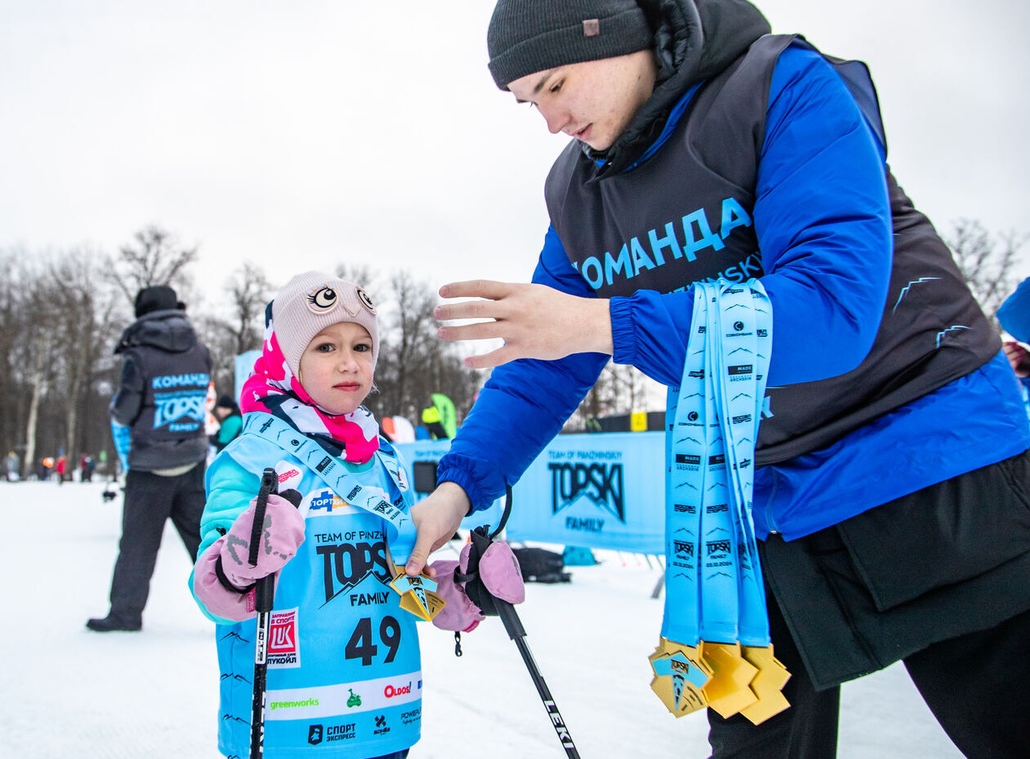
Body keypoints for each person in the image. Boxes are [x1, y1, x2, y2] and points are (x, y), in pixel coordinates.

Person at [404, 1, 1030, 757]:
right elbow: (543, 361)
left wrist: (607, 322)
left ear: (619, 36)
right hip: (755, 514)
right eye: (528, 102)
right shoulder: (579, 194)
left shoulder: (782, 86)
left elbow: (832, 307)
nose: (550, 121)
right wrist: (458, 487)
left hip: (927, 463)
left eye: (557, 84)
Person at [190, 271, 520, 759]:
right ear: (286, 357)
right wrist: (237, 561)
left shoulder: (384, 459)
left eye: (362, 347)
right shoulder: (248, 457)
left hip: (384, 719)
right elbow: (210, 593)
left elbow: (409, 582)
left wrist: (464, 590)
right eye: (325, 347)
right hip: (286, 726)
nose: (349, 363)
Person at [87, 285, 213, 633]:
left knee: (138, 545)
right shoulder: (200, 350)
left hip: (149, 465)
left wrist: (116, 409)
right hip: (192, 457)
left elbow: (125, 411)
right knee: (207, 541)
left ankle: (126, 613)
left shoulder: (138, 354)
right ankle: (240, 611)